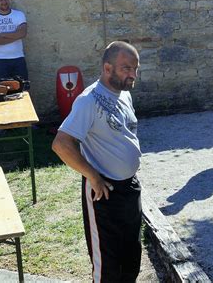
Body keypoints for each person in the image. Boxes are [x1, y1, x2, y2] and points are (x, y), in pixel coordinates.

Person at [52, 41, 142, 282]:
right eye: (126, 68)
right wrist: (93, 176)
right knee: (108, 266)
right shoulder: (88, 100)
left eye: (135, 68)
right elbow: (61, 144)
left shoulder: (124, 94)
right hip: (105, 192)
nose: (132, 75)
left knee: (131, 256)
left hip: (130, 188)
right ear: (107, 68)